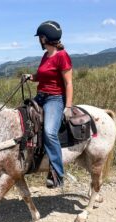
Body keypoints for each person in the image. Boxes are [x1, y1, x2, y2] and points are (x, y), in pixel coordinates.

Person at [22, 20, 73, 188]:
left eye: (40, 37)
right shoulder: (46, 56)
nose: (39, 40)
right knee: (20, 118)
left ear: (44, 38)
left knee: (50, 132)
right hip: (40, 96)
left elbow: (68, 84)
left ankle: (58, 174)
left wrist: (68, 107)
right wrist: (31, 77)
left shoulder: (62, 56)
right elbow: (41, 76)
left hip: (54, 99)